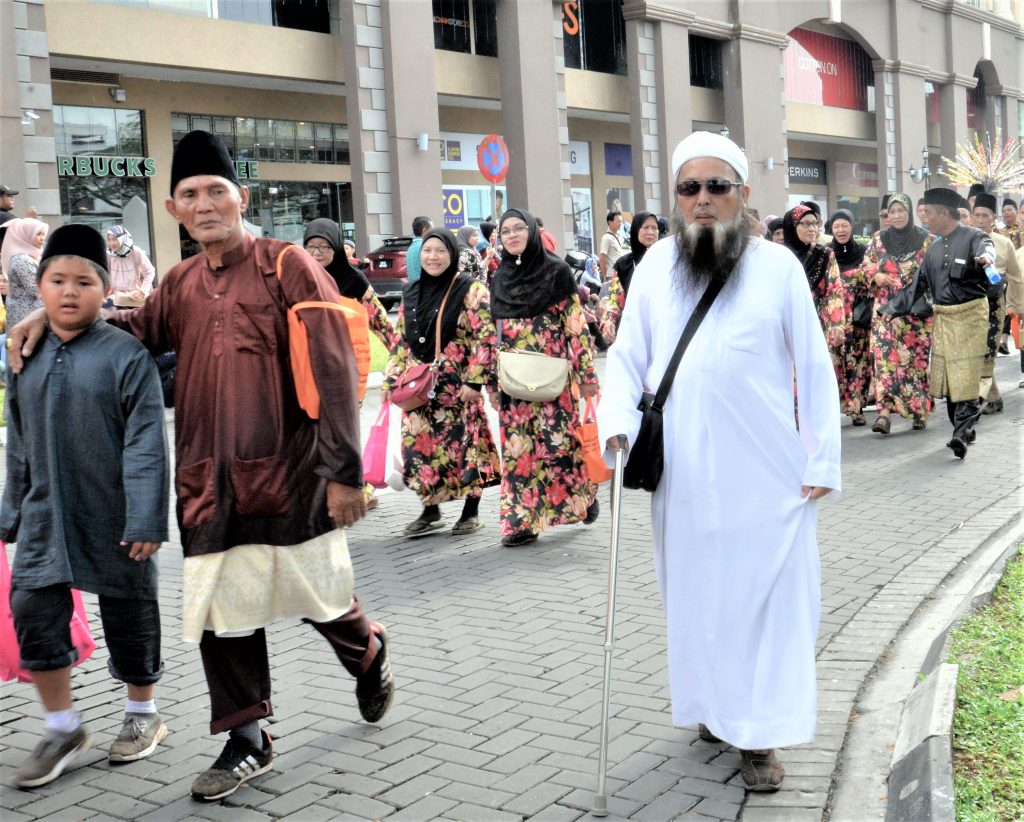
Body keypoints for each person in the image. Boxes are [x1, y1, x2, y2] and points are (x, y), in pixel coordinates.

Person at [8, 130, 395, 800]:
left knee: (321, 598)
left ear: (240, 196)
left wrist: (343, 472)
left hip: (291, 476)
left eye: (216, 191)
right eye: (190, 194)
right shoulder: (181, 284)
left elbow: (333, 366)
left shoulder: (286, 264)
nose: (205, 203)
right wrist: (53, 317)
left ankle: (368, 652)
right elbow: (130, 336)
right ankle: (248, 739)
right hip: (207, 482)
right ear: (173, 208)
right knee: (222, 608)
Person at [598, 131, 840, 792]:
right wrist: (616, 427)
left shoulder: (779, 268)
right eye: (690, 188)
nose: (702, 200)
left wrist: (822, 456)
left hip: (768, 471)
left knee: (769, 600)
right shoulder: (654, 267)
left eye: (717, 187)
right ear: (677, 197)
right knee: (699, 599)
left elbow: (814, 365)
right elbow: (626, 358)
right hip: (686, 471)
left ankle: (759, 733)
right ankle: (713, 705)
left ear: (742, 193)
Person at [2, 224, 169, 788]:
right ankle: (63, 727)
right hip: (46, 510)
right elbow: (18, 439)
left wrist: (146, 516)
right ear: (39, 287)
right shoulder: (24, 354)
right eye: (57, 280)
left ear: (105, 290)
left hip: (115, 509)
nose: (69, 292)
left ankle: (143, 713)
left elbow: (147, 442)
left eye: (84, 282)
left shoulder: (126, 356)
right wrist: (10, 512)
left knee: (130, 612)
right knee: (32, 610)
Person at [489, 209, 600, 547]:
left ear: (532, 232)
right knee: (519, 453)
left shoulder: (557, 272)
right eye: (505, 231)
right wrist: (492, 382)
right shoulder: (500, 277)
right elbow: (492, 334)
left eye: (518, 228)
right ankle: (521, 522)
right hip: (514, 383)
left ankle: (582, 497)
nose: (512, 235)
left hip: (554, 380)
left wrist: (586, 374)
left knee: (559, 448)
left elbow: (575, 326)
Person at [382, 229, 499, 536]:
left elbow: (485, 337)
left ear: (452, 254)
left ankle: (471, 511)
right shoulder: (411, 292)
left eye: (440, 251)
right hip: (419, 388)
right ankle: (430, 511)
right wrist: (391, 380)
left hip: (459, 388)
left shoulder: (471, 289)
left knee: (466, 448)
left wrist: (475, 382)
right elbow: (400, 341)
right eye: (427, 251)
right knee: (419, 450)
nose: (432, 257)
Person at [887, 187, 996, 458]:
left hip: (971, 317)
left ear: (944, 214)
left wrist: (986, 259)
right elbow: (918, 285)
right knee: (950, 381)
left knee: (966, 377)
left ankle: (960, 434)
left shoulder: (974, 237)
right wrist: (891, 309)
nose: (924, 218)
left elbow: (987, 249)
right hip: (944, 320)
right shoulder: (933, 249)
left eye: (929, 213)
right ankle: (964, 427)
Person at [862, 193, 933, 433]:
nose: (896, 216)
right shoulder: (878, 239)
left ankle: (919, 410)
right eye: (891, 212)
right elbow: (866, 265)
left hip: (915, 314)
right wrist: (876, 275)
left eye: (901, 210)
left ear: (909, 212)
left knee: (915, 362)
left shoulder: (926, 240)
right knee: (884, 361)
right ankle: (883, 415)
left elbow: (935, 271)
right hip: (885, 312)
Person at [303, 218, 396, 351]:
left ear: (336, 247)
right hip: (306, 357)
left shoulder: (354, 279)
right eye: (311, 246)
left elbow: (380, 322)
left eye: (323, 247)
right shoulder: (297, 278)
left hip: (346, 356)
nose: (316, 253)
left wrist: (402, 357)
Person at [971, 193, 1023, 414]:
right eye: (977, 215)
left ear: (994, 218)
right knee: (975, 352)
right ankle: (993, 398)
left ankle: (976, 399)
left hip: (995, 305)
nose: (980, 220)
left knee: (987, 352)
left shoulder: (1004, 243)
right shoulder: (965, 240)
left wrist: (1017, 307)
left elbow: (1016, 277)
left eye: (985, 216)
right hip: (969, 305)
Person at [826, 210, 871, 425]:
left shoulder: (864, 252)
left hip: (859, 317)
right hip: (835, 319)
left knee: (859, 361)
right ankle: (838, 405)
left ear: (852, 227)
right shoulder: (827, 254)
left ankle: (857, 408)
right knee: (837, 362)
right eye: (836, 226)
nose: (841, 230)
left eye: (845, 225)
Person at [781, 205, 845, 352]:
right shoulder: (780, 255)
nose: (812, 228)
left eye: (814, 223)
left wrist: (837, 323)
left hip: (816, 324)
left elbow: (834, 290)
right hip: (787, 323)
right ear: (792, 226)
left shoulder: (824, 254)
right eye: (806, 224)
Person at [599, 210, 659, 346]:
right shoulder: (624, 264)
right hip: (634, 328)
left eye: (654, 228)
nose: (651, 232)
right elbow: (616, 298)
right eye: (645, 227)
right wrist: (609, 320)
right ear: (636, 230)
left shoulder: (667, 260)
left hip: (661, 327)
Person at [2, 217, 48, 329]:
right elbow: (36, 290)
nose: (42, 238)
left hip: (30, 317)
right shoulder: (22, 260)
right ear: (25, 235)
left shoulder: (31, 257)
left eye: (43, 234)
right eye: (38, 234)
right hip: (27, 320)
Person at [105, 225, 157, 309]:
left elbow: (150, 272)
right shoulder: (109, 254)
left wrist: (143, 291)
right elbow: (103, 273)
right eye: (109, 240)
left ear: (122, 238)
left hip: (135, 298)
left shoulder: (136, 252)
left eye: (114, 239)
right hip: (115, 298)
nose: (111, 243)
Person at [598, 210, 626, 279]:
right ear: (610, 222)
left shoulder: (618, 236)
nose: (620, 224)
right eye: (618, 221)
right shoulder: (606, 238)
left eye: (621, 221)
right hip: (613, 275)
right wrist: (605, 276)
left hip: (620, 274)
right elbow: (602, 258)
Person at [405, 216, 433, 283]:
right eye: (431, 229)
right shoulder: (425, 246)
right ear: (424, 230)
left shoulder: (411, 248)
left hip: (414, 287)